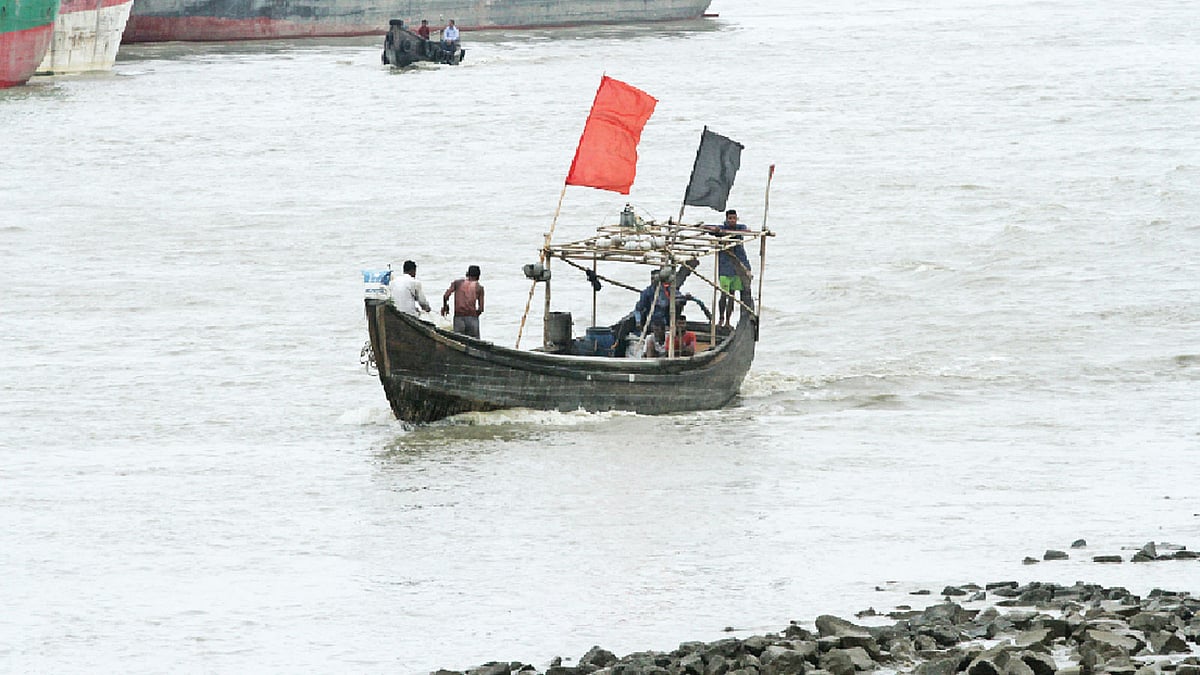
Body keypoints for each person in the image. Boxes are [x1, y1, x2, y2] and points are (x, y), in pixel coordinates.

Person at [709, 208, 752, 329]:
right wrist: (716, 230)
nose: (732, 220)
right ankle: (721, 319)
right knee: (724, 294)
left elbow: (747, 230)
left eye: (734, 218)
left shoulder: (740, 228)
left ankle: (728, 320)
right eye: (730, 219)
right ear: (726, 219)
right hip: (725, 267)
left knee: (732, 295)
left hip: (737, 267)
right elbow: (709, 228)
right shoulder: (721, 228)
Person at [442, 264, 484, 338]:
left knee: (458, 341)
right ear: (478, 276)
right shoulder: (479, 287)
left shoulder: (458, 283)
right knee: (475, 343)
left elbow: (446, 296)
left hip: (459, 317)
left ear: (467, 273)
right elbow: (481, 309)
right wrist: (474, 315)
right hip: (472, 317)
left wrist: (445, 306)